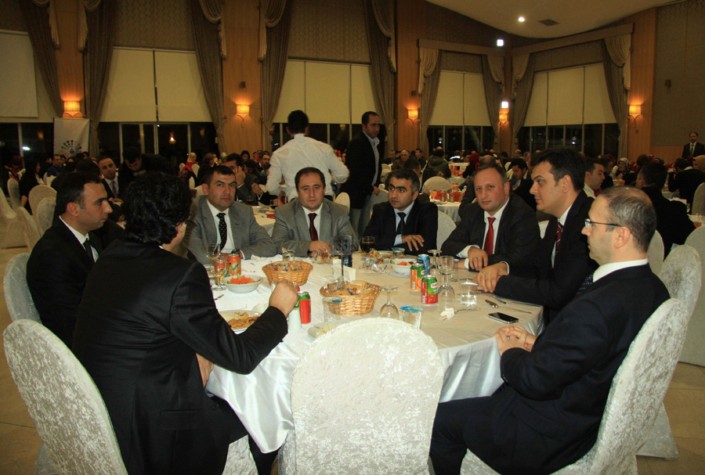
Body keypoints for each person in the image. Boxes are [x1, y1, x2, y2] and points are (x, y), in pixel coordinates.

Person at [430, 186, 669, 475]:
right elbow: (594, 351)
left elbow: (533, 380)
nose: (584, 231)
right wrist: (538, 342)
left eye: (592, 224)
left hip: (548, 432)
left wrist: (511, 353)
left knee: (439, 420)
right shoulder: (653, 288)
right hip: (584, 407)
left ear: (621, 236)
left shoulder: (597, 306)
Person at [73, 173, 298, 475]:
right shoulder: (180, 275)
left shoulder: (110, 256)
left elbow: (146, 325)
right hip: (154, 435)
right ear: (180, 227)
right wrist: (277, 310)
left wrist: (197, 350)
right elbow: (241, 358)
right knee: (263, 414)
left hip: (100, 410)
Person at [477, 148, 597, 326]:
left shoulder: (589, 223)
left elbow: (558, 293)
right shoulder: (558, 219)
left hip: (578, 325)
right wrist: (504, 268)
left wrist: (499, 283)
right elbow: (539, 268)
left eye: (540, 182)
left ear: (565, 183)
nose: (532, 190)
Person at [26, 172, 114, 347]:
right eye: (99, 203)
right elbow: (68, 325)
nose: (108, 209)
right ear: (74, 209)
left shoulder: (89, 237)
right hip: (85, 346)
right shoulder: (52, 257)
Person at [441, 164, 539, 279]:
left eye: (490, 187)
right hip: (474, 281)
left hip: (509, 284)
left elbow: (516, 260)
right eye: (479, 189)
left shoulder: (522, 215)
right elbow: (447, 246)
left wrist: (468, 263)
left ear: (506, 188)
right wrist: (470, 250)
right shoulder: (473, 211)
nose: (483, 195)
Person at [188, 165, 277, 264]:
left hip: (240, 268)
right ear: (205, 189)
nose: (227, 191)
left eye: (232, 185)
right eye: (220, 185)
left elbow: (269, 246)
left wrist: (236, 255)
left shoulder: (243, 211)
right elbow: (201, 257)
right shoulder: (192, 213)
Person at [272, 167, 357, 257]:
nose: (311, 194)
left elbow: (351, 243)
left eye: (316, 188)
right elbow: (277, 244)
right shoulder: (284, 213)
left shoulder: (339, 211)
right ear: (297, 191)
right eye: (305, 189)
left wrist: (329, 248)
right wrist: (308, 247)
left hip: (329, 264)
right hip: (299, 265)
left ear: (324, 189)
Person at [266, 110, 349, 201]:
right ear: (307, 128)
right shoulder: (324, 148)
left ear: (288, 130)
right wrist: (330, 179)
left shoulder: (279, 153)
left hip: (297, 201)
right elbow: (343, 174)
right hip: (324, 200)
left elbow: (271, 187)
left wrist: (283, 191)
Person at [363, 168, 437, 255]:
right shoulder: (380, 210)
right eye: (391, 188)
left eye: (401, 190)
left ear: (414, 195)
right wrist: (400, 239)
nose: (393, 195)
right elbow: (366, 243)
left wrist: (384, 244)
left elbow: (426, 247)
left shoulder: (427, 210)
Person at [339, 111, 383, 236]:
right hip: (356, 193)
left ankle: (362, 247)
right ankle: (354, 248)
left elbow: (375, 167)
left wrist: (375, 185)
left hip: (366, 192)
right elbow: (355, 171)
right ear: (364, 126)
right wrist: (370, 187)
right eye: (373, 125)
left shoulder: (374, 142)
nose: (377, 128)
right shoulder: (357, 142)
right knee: (354, 229)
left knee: (364, 228)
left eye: (378, 125)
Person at [637, 161, 694, 256]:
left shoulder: (626, 208)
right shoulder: (675, 210)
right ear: (663, 183)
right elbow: (690, 238)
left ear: (641, 181)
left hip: (629, 262)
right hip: (663, 261)